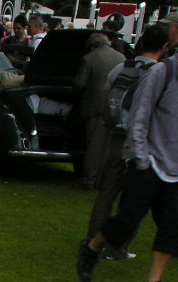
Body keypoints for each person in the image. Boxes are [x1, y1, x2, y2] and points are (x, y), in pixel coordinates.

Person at [77, 16, 178, 282]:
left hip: (175, 168)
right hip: (149, 160)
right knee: (128, 219)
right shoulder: (163, 71)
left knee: (173, 225)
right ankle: (92, 247)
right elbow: (139, 116)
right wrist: (140, 157)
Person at [73, 33, 125, 189]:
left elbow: (79, 84)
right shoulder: (121, 58)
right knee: (108, 146)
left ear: (92, 46)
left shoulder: (89, 58)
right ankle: (103, 180)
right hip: (115, 107)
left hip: (94, 107)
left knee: (94, 146)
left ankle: (89, 179)